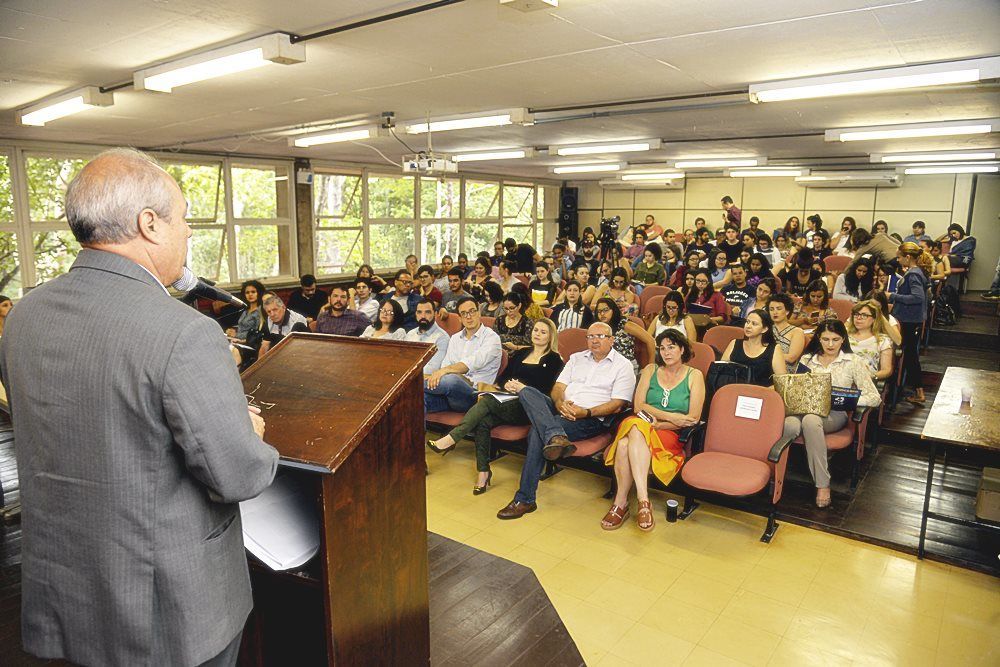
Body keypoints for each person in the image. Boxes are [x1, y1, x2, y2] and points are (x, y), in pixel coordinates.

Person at [0, 148, 278, 666]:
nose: (190, 232)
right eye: (185, 217)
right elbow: (238, 476)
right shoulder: (183, 332)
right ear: (149, 224)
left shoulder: (24, 315)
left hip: (67, 581)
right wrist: (250, 434)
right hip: (165, 604)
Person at [496, 322, 636, 520]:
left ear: (611, 340)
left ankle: (525, 499)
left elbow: (618, 404)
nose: (594, 340)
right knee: (527, 391)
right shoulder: (577, 358)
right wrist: (560, 403)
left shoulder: (623, 366)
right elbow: (558, 388)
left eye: (600, 336)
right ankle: (556, 435)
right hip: (559, 410)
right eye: (590, 336)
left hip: (590, 418)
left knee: (537, 432)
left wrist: (585, 412)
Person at [428, 319, 564, 493]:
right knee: (483, 420)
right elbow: (503, 378)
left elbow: (547, 391)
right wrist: (508, 385)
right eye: (536, 330)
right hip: (507, 400)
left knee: (487, 401)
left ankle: (452, 437)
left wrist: (523, 388)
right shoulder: (522, 354)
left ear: (551, 336)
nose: (537, 334)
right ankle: (483, 472)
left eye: (543, 332)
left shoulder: (554, 360)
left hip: (528, 408)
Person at [602, 329, 705, 531]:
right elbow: (639, 407)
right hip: (641, 424)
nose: (666, 352)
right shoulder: (650, 369)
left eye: (672, 347)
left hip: (668, 433)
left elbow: (692, 418)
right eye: (662, 348)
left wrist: (660, 424)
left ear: (682, 349)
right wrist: (673, 416)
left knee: (624, 445)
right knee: (635, 424)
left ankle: (620, 504)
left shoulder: (695, 376)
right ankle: (643, 501)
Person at [780, 319, 880, 508]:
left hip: (834, 413)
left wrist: (845, 398)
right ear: (818, 338)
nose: (830, 344)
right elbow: (795, 389)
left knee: (810, 421)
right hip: (804, 407)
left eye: (835, 339)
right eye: (825, 339)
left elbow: (874, 397)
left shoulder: (852, 361)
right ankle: (776, 475)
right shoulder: (807, 359)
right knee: (790, 424)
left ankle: (822, 484)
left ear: (843, 339)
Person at [424, 296, 503, 414]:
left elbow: (473, 362)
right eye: (464, 313)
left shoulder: (492, 338)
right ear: (460, 318)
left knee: (452, 380)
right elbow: (446, 365)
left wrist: (442, 372)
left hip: (473, 396)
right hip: (448, 395)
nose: (469, 316)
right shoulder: (455, 338)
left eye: (472, 311)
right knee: (417, 399)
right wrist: (442, 372)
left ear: (479, 312)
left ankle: (410, 384)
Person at [890, 242, 932, 404]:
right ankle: (918, 391)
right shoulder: (918, 272)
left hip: (908, 320)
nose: (898, 260)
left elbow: (918, 298)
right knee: (910, 356)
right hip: (911, 319)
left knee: (910, 357)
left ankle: (918, 392)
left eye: (899, 257)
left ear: (908, 257)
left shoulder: (913, 274)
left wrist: (893, 296)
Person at [722, 309, 786, 386]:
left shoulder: (774, 349)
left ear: (764, 329)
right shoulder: (734, 343)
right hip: (734, 391)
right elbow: (721, 372)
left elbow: (781, 382)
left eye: (754, 324)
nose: (748, 326)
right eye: (747, 322)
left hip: (761, 394)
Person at [594, 297, 655, 374]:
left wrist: (651, 367)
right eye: (599, 311)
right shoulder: (597, 327)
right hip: (604, 366)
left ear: (613, 310)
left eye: (606, 310)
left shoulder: (625, 324)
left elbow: (651, 340)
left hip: (626, 366)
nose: (602, 314)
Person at [847, 300, 894, 382]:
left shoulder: (882, 340)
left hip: (866, 380)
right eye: (856, 314)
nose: (858, 318)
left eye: (864, 315)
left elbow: (887, 370)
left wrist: (872, 376)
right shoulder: (843, 336)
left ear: (874, 319)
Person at [225, 279, 267, 363]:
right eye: (247, 292)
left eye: (253, 292)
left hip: (248, 345)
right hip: (236, 341)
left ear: (259, 293)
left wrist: (237, 335)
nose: (250, 294)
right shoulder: (245, 310)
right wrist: (232, 331)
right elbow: (242, 327)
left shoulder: (261, 312)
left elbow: (256, 335)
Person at [405, 299, 450, 374]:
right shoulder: (410, 334)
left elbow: (432, 368)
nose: (423, 316)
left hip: (425, 380)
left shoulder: (442, 338)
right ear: (416, 314)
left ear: (435, 314)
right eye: (419, 312)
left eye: (427, 312)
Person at [769, 293, 806, 373]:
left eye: (778, 309)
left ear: (787, 311)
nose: (774, 312)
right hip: (765, 367)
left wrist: (766, 355)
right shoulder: (766, 329)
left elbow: (791, 358)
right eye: (771, 309)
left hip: (786, 372)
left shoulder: (797, 332)